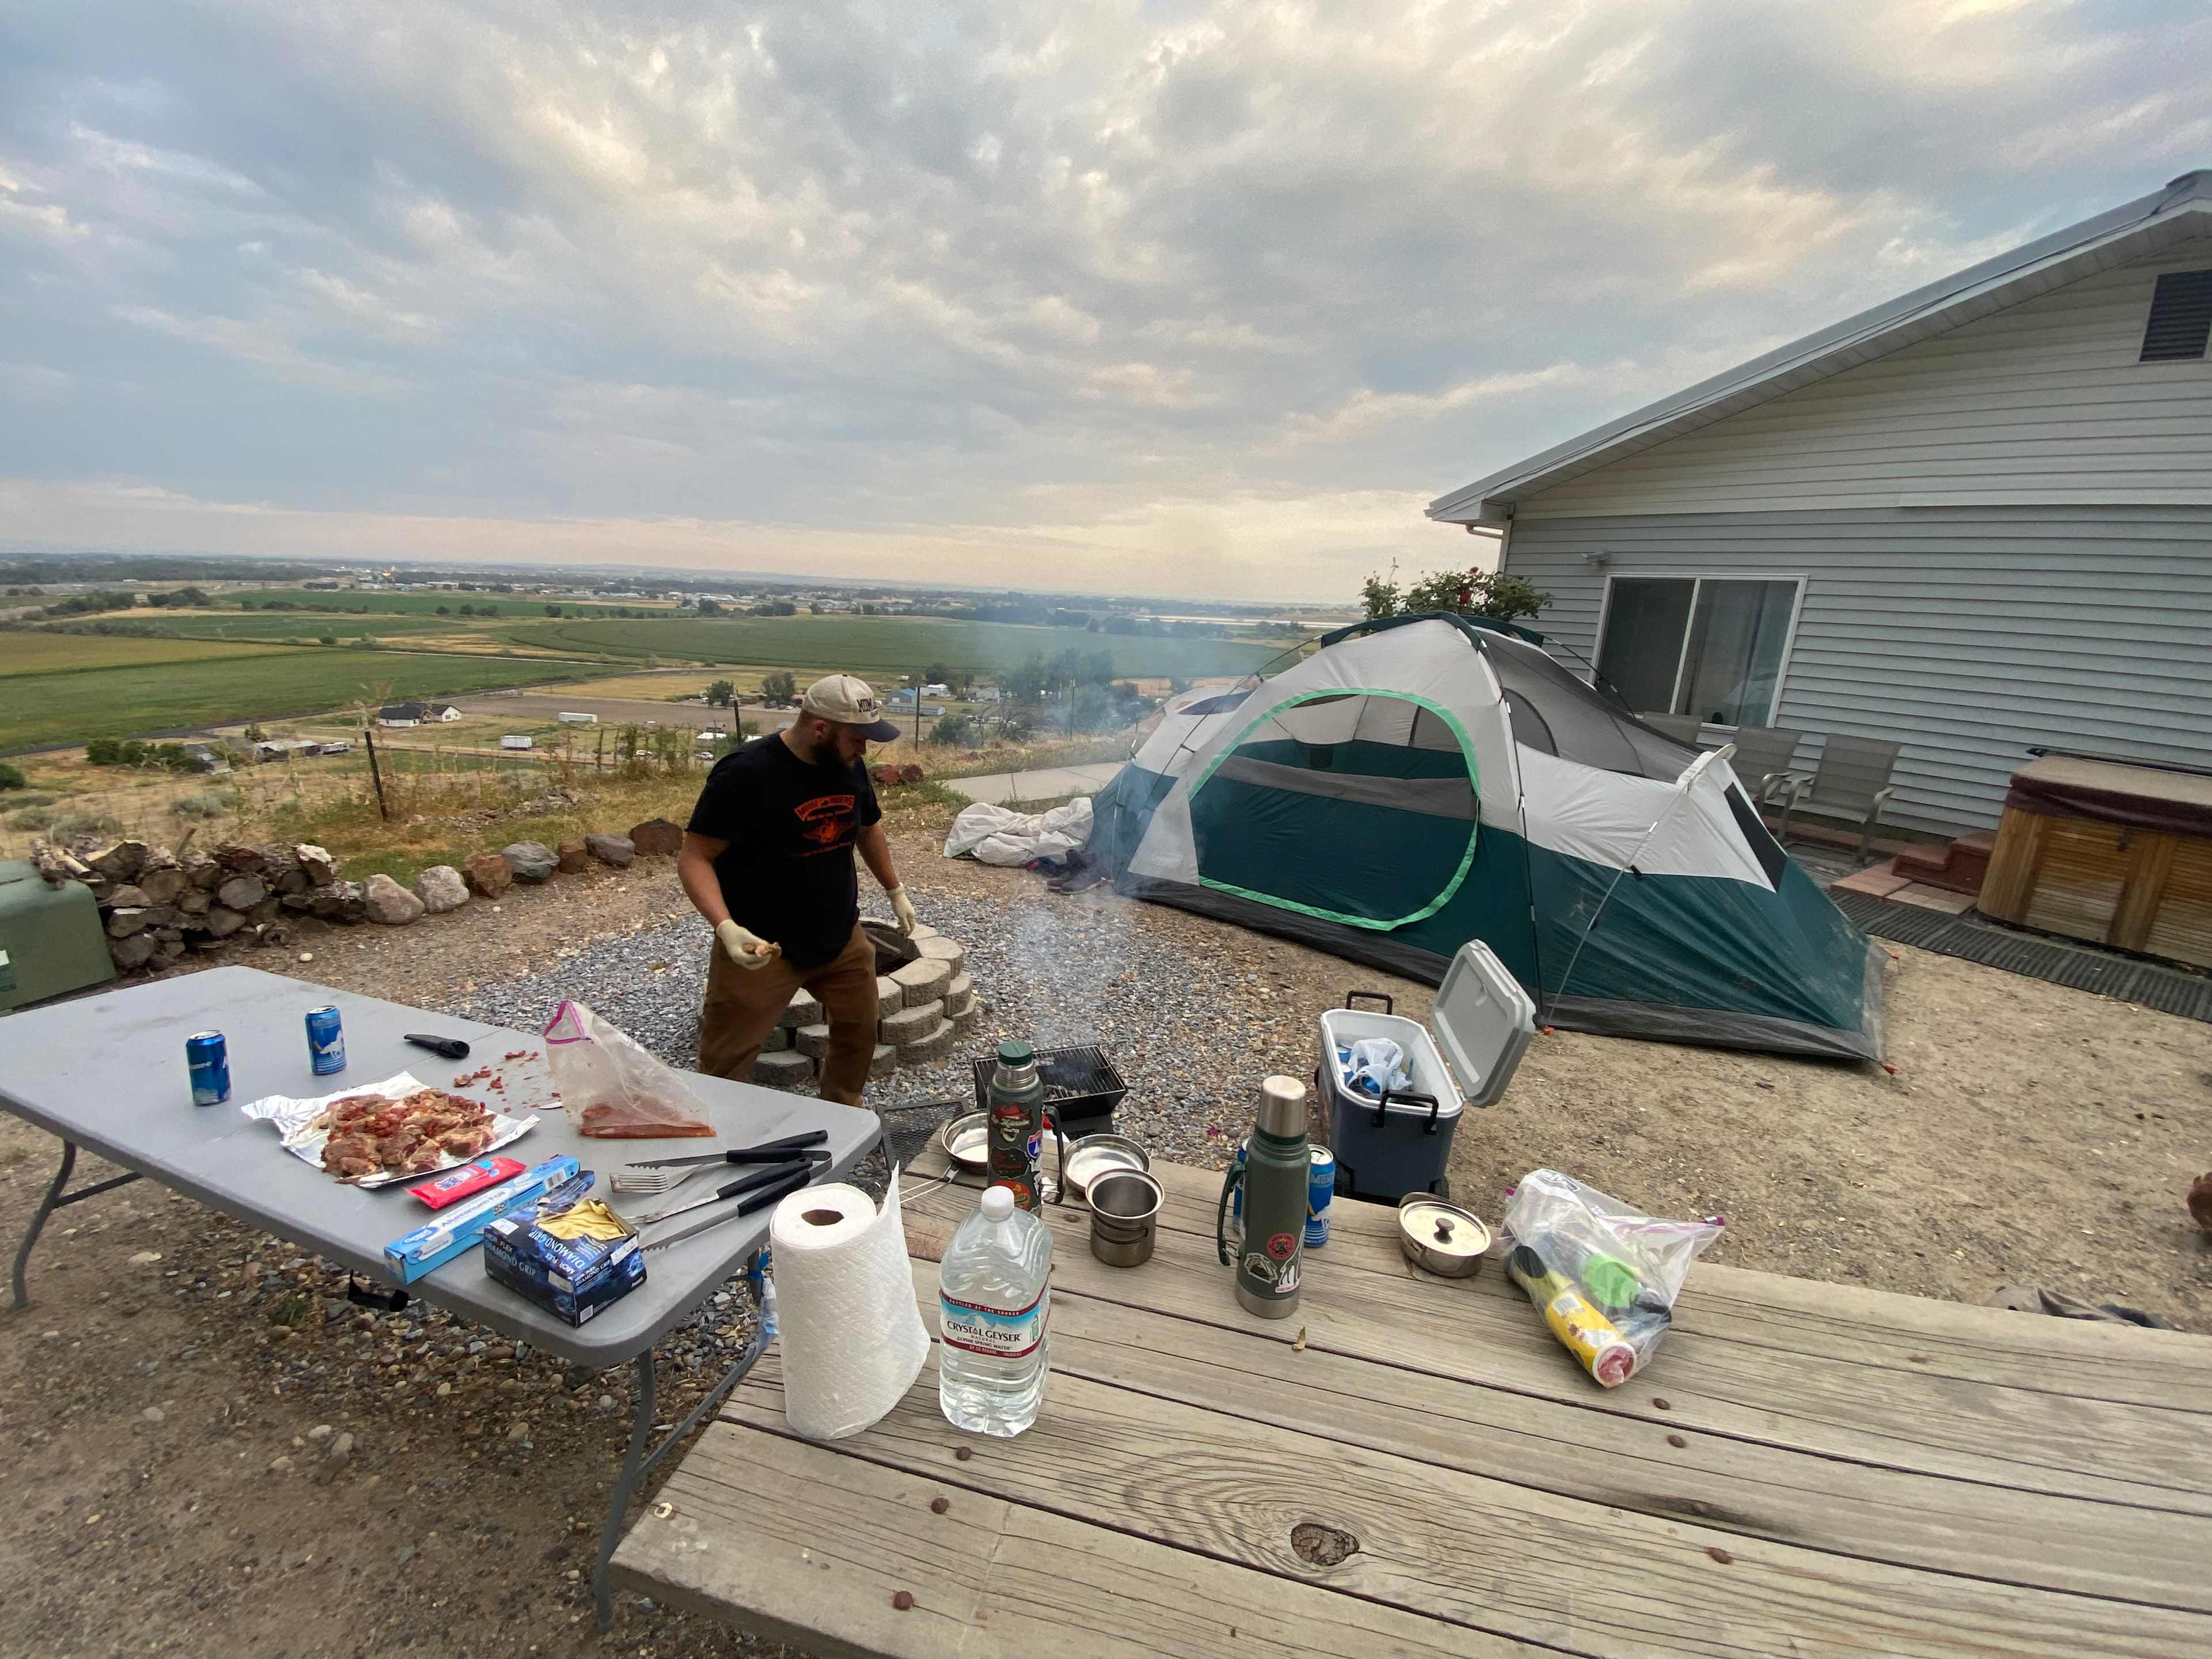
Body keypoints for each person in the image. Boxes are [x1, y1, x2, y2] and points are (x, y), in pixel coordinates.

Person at [677, 673, 919, 1104]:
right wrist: (725, 927)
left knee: (858, 1032)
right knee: (726, 1061)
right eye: (858, 738)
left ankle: (843, 1108)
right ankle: (714, 1132)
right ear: (821, 728)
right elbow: (695, 857)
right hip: (763, 947)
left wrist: (895, 888)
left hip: (840, 937)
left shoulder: (846, 763)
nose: (865, 747)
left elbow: (868, 826)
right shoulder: (746, 774)